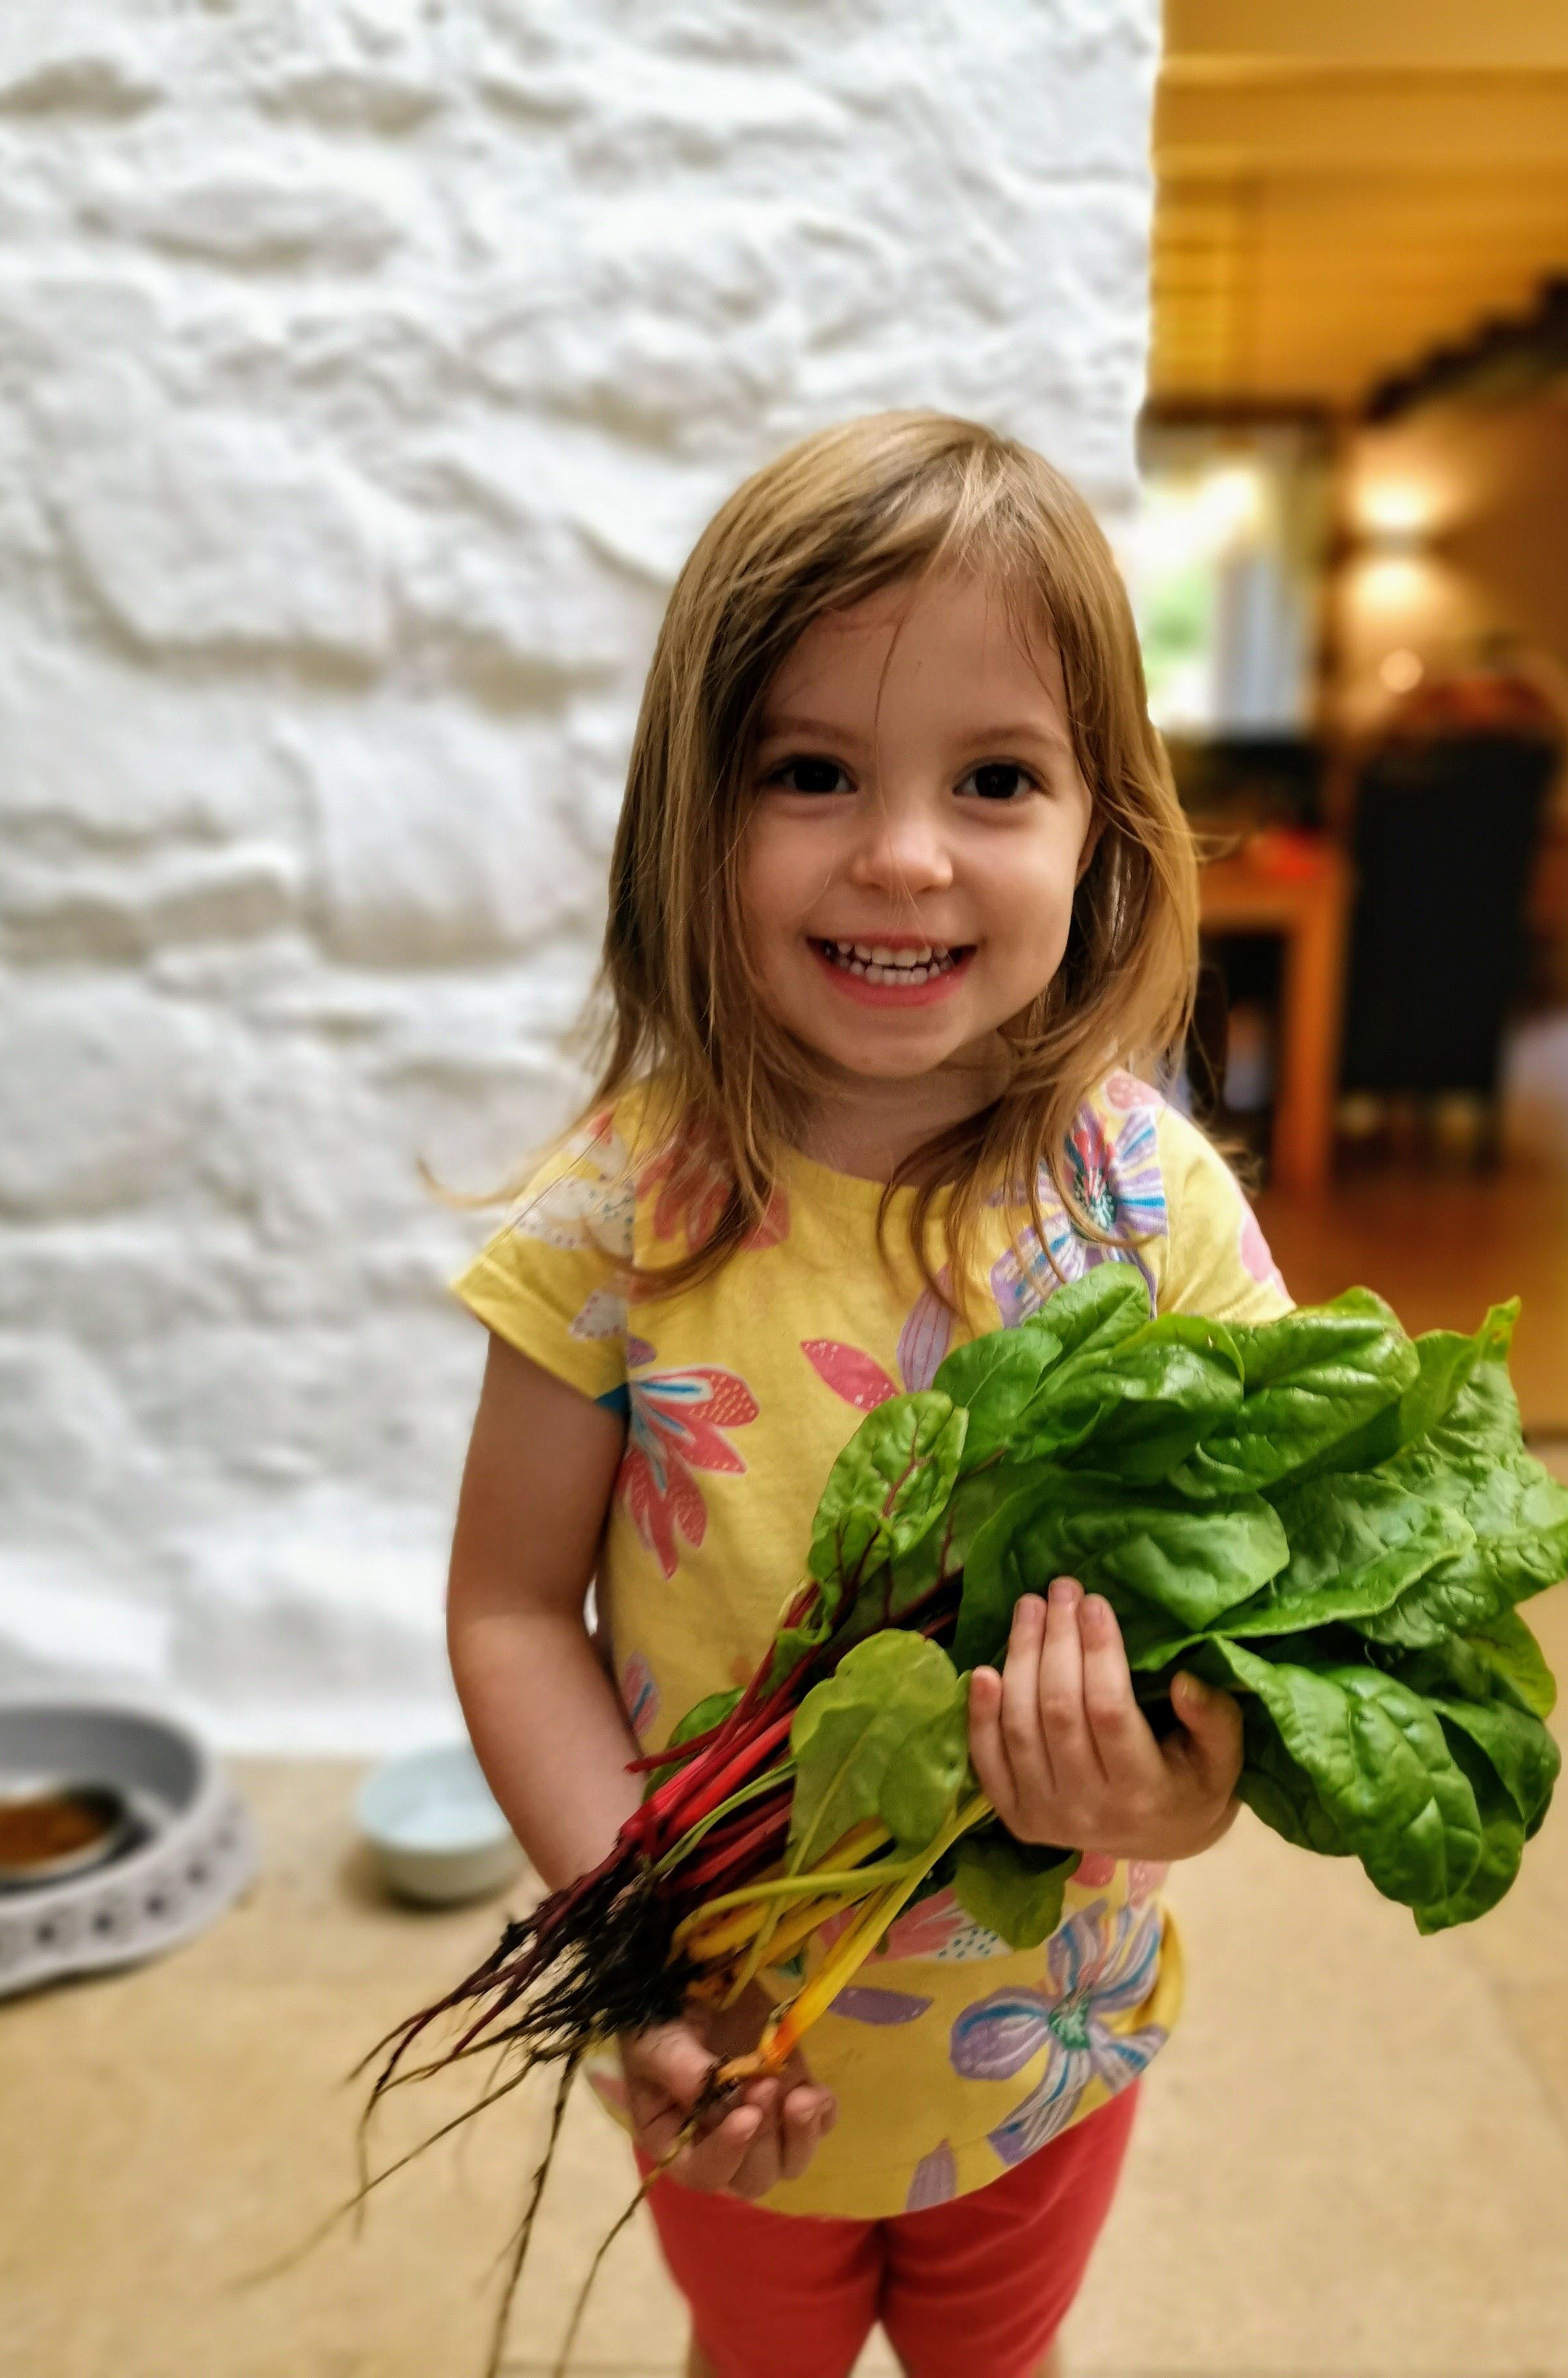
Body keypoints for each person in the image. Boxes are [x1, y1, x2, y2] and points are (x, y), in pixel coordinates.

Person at [443, 411, 1292, 2378]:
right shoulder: (618, 1215)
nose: (902, 853)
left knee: (1000, 2357)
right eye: (810, 773)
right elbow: (507, 1607)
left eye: (996, 778)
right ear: (691, 820)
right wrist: (627, 1947)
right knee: (758, 2357)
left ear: (1105, 831)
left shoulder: (1153, 1208)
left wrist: (1186, 1788)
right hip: (730, 2044)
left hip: (1041, 2034)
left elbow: (1275, 1633)